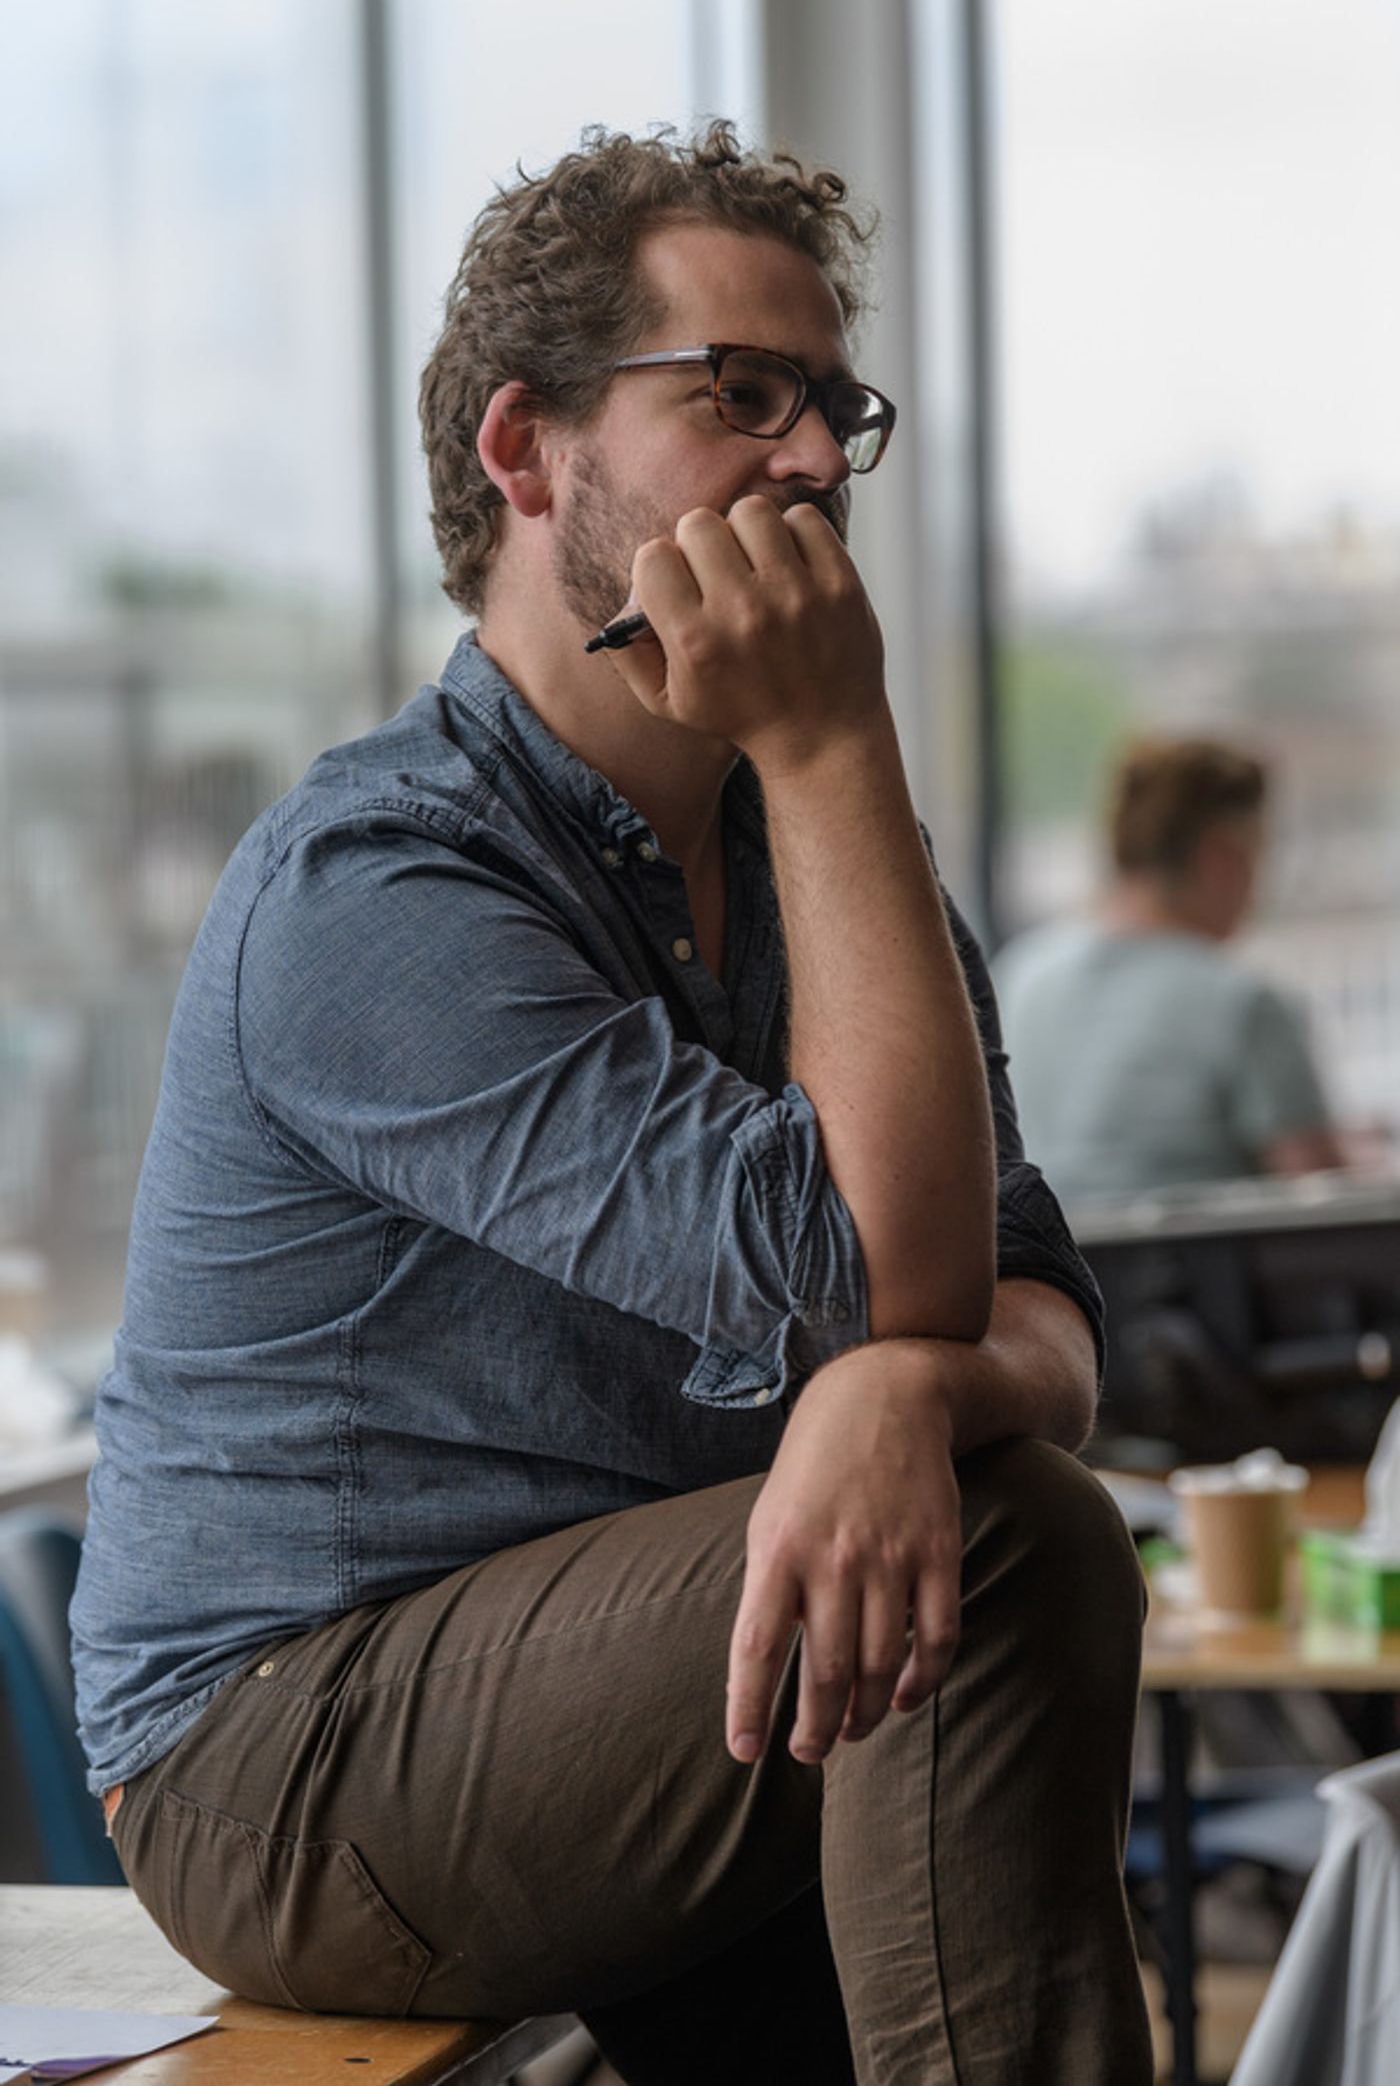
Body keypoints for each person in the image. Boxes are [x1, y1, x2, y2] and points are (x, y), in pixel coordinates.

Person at [72, 124, 1152, 2085]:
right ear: (526, 453)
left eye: (833, 407)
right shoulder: (373, 885)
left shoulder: (830, 857)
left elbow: (1047, 1315)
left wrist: (908, 1390)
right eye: (737, 396)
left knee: (968, 1509)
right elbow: (876, 1267)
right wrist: (828, 743)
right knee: (1011, 1555)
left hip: (658, 1659)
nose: (814, 459)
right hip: (279, 1753)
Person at [995, 736, 1343, 1204]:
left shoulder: (1018, 974)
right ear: (1223, 857)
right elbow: (1322, 1197)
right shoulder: (1241, 1002)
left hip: (1039, 1270)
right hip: (1194, 1274)